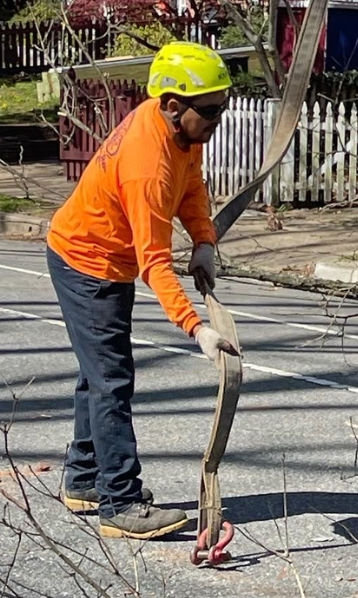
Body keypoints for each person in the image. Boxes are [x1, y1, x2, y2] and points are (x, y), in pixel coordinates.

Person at [46, 41, 239, 540]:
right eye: (212, 111)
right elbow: (154, 262)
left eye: (224, 106)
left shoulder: (181, 133)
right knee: (111, 380)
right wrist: (195, 328)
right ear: (174, 105)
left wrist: (203, 241)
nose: (218, 120)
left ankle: (85, 478)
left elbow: (192, 185)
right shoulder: (145, 165)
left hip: (107, 262)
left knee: (98, 375)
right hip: (85, 264)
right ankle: (120, 502)